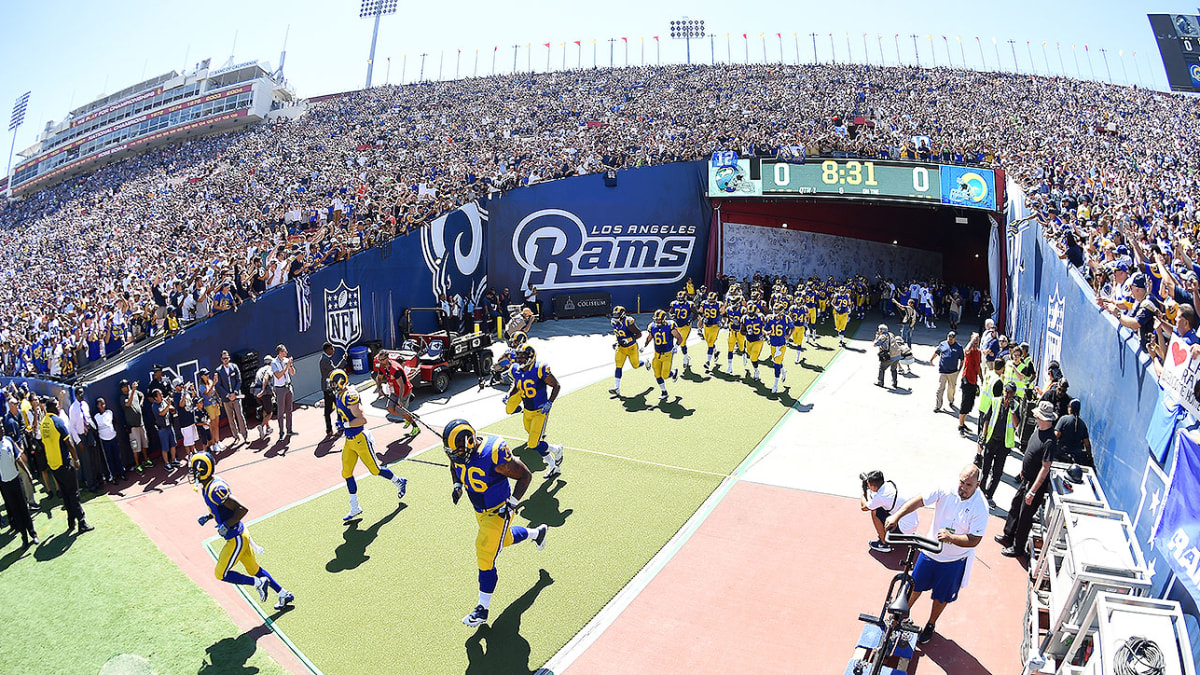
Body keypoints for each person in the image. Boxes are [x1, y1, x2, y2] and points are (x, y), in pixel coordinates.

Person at [442, 418, 549, 627]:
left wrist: (512, 503)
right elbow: (454, 465)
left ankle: (482, 608)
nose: (456, 456)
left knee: (485, 553)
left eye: (459, 452)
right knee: (505, 539)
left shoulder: (493, 452)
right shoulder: (461, 453)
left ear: (470, 443)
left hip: (500, 511)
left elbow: (525, 476)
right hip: (480, 511)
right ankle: (538, 533)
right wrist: (457, 484)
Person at [885, 465, 987, 645]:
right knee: (913, 586)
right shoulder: (945, 488)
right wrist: (897, 516)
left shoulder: (981, 507)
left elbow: (974, 539)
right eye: (961, 482)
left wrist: (952, 538)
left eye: (968, 485)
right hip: (929, 552)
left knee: (941, 596)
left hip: (953, 560)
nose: (962, 487)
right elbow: (919, 500)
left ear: (978, 484)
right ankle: (899, 617)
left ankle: (931, 624)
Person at [190, 452, 294, 610]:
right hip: (241, 534)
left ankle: (259, 583)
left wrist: (226, 524)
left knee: (220, 574)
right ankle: (283, 594)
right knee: (254, 569)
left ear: (201, 470)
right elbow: (221, 508)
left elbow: (241, 509)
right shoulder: (209, 485)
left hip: (236, 537)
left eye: (193, 470)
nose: (191, 474)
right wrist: (209, 516)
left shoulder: (214, 489)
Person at [329, 368, 408, 521]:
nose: (332, 385)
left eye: (333, 382)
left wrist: (345, 425)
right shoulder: (340, 394)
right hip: (349, 441)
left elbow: (362, 420)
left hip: (360, 439)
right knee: (346, 473)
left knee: (375, 470)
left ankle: (399, 481)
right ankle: (355, 506)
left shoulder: (350, 395)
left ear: (340, 382)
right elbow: (341, 409)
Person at [997, 401, 1059, 558]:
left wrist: (1032, 491)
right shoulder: (1038, 431)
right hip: (1026, 479)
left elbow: (1045, 468)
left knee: (1025, 516)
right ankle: (1008, 536)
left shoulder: (1050, 441)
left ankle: (1018, 548)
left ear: (1044, 419)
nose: (1035, 417)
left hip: (1033, 486)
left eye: (1038, 416)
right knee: (1015, 506)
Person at [505, 345, 564, 478]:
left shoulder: (540, 369)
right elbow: (517, 384)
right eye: (518, 356)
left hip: (540, 411)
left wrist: (550, 402)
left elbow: (556, 385)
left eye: (522, 357)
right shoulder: (516, 369)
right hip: (527, 411)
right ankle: (553, 465)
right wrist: (509, 394)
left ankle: (557, 449)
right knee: (535, 441)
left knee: (533, 443)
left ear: (530, 357)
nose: (519, 359)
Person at [40, 397, 93, 533]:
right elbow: (68, 442)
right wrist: (76, 459)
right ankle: (81, 522)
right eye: (57, 405)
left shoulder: (43, 422)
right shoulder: (57, 421)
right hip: (63, 463)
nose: (59, 408)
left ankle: (71, 522)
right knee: (74, 493)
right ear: (52, 407)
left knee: (65, 493)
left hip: (53, 465)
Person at [977, 381, 1020, 502]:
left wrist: (1012, 411)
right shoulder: (996, 401)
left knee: (997, 473)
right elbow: (987, 419)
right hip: (991, 440)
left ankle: (989, 495)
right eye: (1006, 391)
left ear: (1014, 394)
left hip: (1003, 445)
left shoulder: (1015, 406)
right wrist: (983, 435)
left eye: (1010, 392)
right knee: (985, 470)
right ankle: (980, 493)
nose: (1007, 394)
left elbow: (1016, 424)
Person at [859, 470, 918, 553]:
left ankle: (883, 543)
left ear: (874, 486)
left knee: (875, 511)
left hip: (904, 529)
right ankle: (904, 534)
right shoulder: (890, 485)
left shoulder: (880, 497)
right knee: (884, 508)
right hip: (913, 525)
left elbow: (864, 507)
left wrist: (864, 493)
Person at [0, 422, 37, 546]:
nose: (2, 429)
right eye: (0, 427)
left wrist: (28, 473)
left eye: (2, 426)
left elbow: (18, 458)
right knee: (15, 510)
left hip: (16, 480)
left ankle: (33, 534)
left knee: (23, 507)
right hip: (5, 484)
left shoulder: (9, 441)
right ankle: (24, 537)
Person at [643, 309, 682, 401]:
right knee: (657, 375)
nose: (657, 321)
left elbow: (679, 337)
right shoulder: (652, 326)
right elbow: (649, 338)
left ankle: (673, 372)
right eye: (656, 319)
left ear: (664, 319)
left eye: (659, 319)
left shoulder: (670, 325)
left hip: (667, 354)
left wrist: (676, 346)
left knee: (665, 375)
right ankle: (664, 392)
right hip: (657, 354)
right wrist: (644, 346)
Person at [608, 305, 644, 396]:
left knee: (635, 365)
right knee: (618, 366)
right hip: (621, 348)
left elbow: (639, 334)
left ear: (623, 314)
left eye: (617, 315)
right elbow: (618, 335)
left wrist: (629, 340)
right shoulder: (613, 322)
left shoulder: (628, 321)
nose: (615, 316)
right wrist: (616, 342)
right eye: (614, 314)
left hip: (632, 348)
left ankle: (646, 362)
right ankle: (617, 388)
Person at [216, 351, 249, 444]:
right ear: (221, 360)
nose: (225, 360)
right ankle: (236, 436)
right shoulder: (218, 371)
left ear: (229, 358)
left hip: (236, 396)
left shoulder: (234, 367)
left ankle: (245, 436)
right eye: (223, 359)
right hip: (226, 399)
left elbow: (239, 380)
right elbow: (218, 385)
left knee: (240, 415)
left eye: (227, 358)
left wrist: (234, 393)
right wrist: (227, 395)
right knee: (230, 418)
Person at [92, 398, 126, 483]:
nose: (103, 406)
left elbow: (114, 422)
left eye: (104, 404)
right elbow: (95, 429)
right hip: (104, 440)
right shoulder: (96, 417)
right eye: (101, 404)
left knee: (117, 457)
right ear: (97, 406)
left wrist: (113, 431)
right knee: (109, 459)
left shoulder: (110, 412)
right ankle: (113, 476)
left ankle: (122, 473)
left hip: (113, 438)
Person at [930, 331, 965, 413]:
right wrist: (931, 359)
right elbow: (936, 352)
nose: (950, 340)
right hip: (943, 371)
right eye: (949, 338)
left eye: (952, 339)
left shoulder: (959, 347)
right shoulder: (942, 344)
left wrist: (959, 370)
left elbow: (962, 360)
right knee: (940, 389)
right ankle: (938, 406)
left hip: (953, 372)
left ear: (955, 339)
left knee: (951, 389)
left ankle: (951, 400)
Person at [121, 379, 150, 475]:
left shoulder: (136, 392)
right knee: (136, 448)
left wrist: (141, 403)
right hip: (132, 428)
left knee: (145, 444)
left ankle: (146, 460)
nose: (127, 387)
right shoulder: (122, 397)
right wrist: (133, 391)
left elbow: (142, 395)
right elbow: (128, 404)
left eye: (128, 385)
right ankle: (138, 465)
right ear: (122, 389)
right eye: (125, 386)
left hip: (141, 424)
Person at [957, 333, 982, 436]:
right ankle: (961, 426)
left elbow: (979, 366)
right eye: (974, 339)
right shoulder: (969, 351)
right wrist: (972, 341)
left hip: (974, 380)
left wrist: (982, 378)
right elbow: (966, 350)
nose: (976, 341)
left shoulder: (979, 352)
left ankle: (963, 423)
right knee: (965, 403)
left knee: (970, 404)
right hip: (967, 380)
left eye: (977, 339)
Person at [765, 302, 793, 394]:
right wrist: (767, 333)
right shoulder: (770, 318)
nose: (775, 312)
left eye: (777, 310)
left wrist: (789, 335)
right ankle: (784, 370)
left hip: (781, 345)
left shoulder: (786, 318)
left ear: (781, 311)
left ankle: (775, 384)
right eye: (775, 310)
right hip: (773, 344)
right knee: (776, 361)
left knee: (776, 365)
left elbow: (792, 327)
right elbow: (765, 329)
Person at [318, 342, 345, 437]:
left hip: (330, 387)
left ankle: (338, 426)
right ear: (328, 350)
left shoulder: (325, 359)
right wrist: (343, 360)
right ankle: (331, 428)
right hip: (329, 388)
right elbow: (335, 371)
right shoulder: (325, 360)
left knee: (337, 406)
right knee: (331, 409)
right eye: (332, 348)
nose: (333, 350)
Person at [1055, 399, 1092, 466]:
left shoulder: (1064, 419)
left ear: (1070, 408)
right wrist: (1089, 456)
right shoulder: (1082, 424)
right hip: (1076, 457)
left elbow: (1056, 435)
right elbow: (1087, 444)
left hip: (1061, 453)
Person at [271, 344, 296, 437]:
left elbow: (293, 373)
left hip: (288, 387)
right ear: (280, 352)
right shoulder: (274, 363)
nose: (287, 352)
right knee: (281, 412)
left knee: (289, 410)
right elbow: (278, 375)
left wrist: (290, 366)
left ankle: (289, 430)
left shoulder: (286, 361)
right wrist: (286, 367)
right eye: (285, 351)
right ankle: (281, 432)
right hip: (280, 389)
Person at [668, 290, 695, 369]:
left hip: (686, 326)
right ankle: (686, 356)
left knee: (682, 342)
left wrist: (691, 320)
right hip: (677, 325)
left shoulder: (689, 304)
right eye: (679, 298)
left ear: (685, 298)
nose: (680, 300)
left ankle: (685, 358)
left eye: (681, 298)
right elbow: (670, 312)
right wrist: (672, 315)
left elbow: (695, 313)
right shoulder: (674, 304)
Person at [698, 291, 722, 371]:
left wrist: (722, 321)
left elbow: (724, 313)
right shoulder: (704, 303)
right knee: (709, 342)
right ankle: (716, 352)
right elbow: (700, 312)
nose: (711, 301)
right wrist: (701, 319)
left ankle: (708, 362)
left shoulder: (719, 304)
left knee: (710, 343)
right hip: (706, 325)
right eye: (710, 299)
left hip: (715, 326)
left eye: (712, 300)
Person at [254, 355, 275, 440]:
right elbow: (266, 378)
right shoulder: (269, 369)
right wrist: (263, 390)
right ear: (271, 363)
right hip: (264, 393)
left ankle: (268, 427)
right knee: (270, 412)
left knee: (264, 410)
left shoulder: (260, 369)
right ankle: (261, 426)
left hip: (256, 393)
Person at [874, 324, 900, 389]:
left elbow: (875, 344)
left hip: (890, 355)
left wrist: (877, 337)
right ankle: (895, 383)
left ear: (881, 330)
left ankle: (880, 382)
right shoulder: (891, 334)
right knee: (894, 369)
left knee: (882, 368)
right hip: (897, 354)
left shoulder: (882, 336)